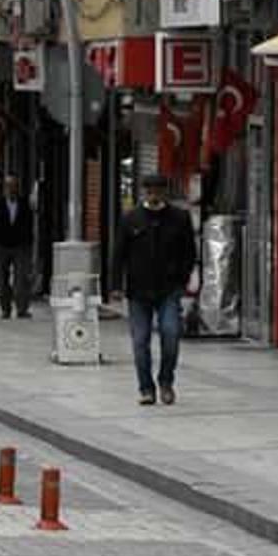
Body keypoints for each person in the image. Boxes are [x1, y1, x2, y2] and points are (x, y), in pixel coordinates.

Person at [111, 174, 197, 406]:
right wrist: (116, 285)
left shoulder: (179, 218)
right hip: (138, 291)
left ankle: (166, 381)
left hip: (169, 289)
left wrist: (182, 280)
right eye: (150, 191)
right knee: (140, 341)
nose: (154, 195)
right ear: (144, 193)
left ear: (165, 192)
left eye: (158, 191)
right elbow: (118, 254)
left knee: (171, 334)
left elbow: (189, 252)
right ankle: (146, 388)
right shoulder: (131, 218)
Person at [0, 175, 33, 318]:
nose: (11, 189)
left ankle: (22, 309)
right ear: (4, 189)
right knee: (2, 279)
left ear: (17, 188)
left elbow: (29, 224)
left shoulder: (25, 204)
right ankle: (5, 309)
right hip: (1, 246)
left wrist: (28, 242)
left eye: (14, 186)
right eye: (8, 186)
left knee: (21, 278)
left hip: (20, 246)